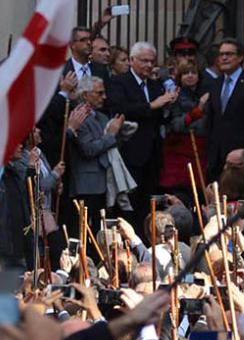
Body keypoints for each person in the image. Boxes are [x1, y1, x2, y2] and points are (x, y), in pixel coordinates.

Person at [107, 41, 178, 235]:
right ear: (132, 60)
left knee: (148, 203)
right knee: (129, 203)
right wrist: (152, 106)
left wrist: (167, 106)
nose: (148, 65)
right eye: (143, 61)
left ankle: (147, 240)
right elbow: (121, 109)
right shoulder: (119, 82)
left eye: (151, 61)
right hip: (130, 152)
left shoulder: (155, 86)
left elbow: (163, 118)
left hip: (152, 154)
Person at [204, 38, 244, 181]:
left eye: (229, 54)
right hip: (217, 157)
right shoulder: (215, 84)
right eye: (221, 54)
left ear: (240, 58)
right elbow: (212, 120)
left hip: (242, 156)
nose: (224, 58)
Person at [68, 76, 123, 232]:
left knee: (102, 227)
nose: (104, 97)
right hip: (86, 184)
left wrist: (120, 132)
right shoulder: (79, 118)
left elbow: (110, 144)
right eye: (99, 93)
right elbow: (88, 150)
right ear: (85, 95)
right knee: (85, 230)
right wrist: (111, 135)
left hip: (104, 181)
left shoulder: (102, 116)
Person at [159, 60, 209, 193]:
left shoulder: (207, 94)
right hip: (180, 151)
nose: (190, 76)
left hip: (201, 150)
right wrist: (197, 110)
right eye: (186, 73)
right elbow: (175, 125)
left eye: (194, 72)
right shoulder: (175, 96)